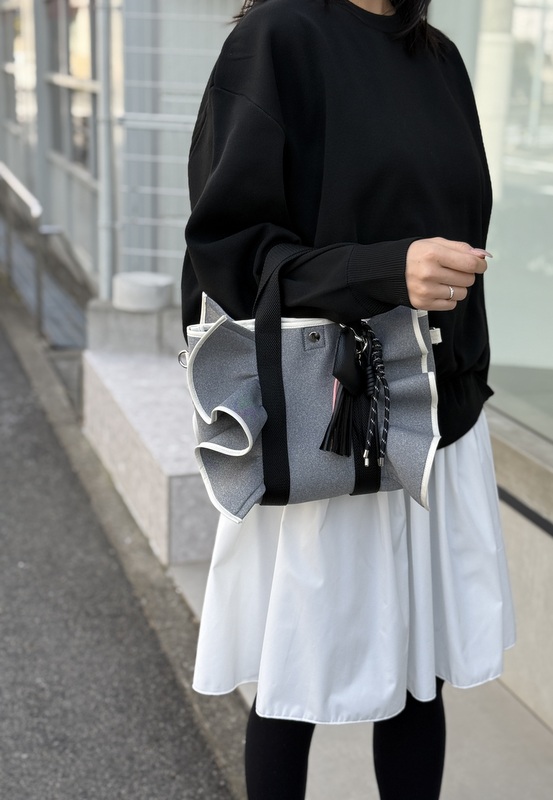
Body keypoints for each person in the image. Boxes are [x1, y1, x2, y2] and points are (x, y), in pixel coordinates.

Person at [181, 1, 516, 798]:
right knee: (293, 681)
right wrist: (383, 271)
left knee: (420, 678)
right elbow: (228, 255)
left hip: (437, 416)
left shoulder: (436, 57)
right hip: (329, 421)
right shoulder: (278, 40)